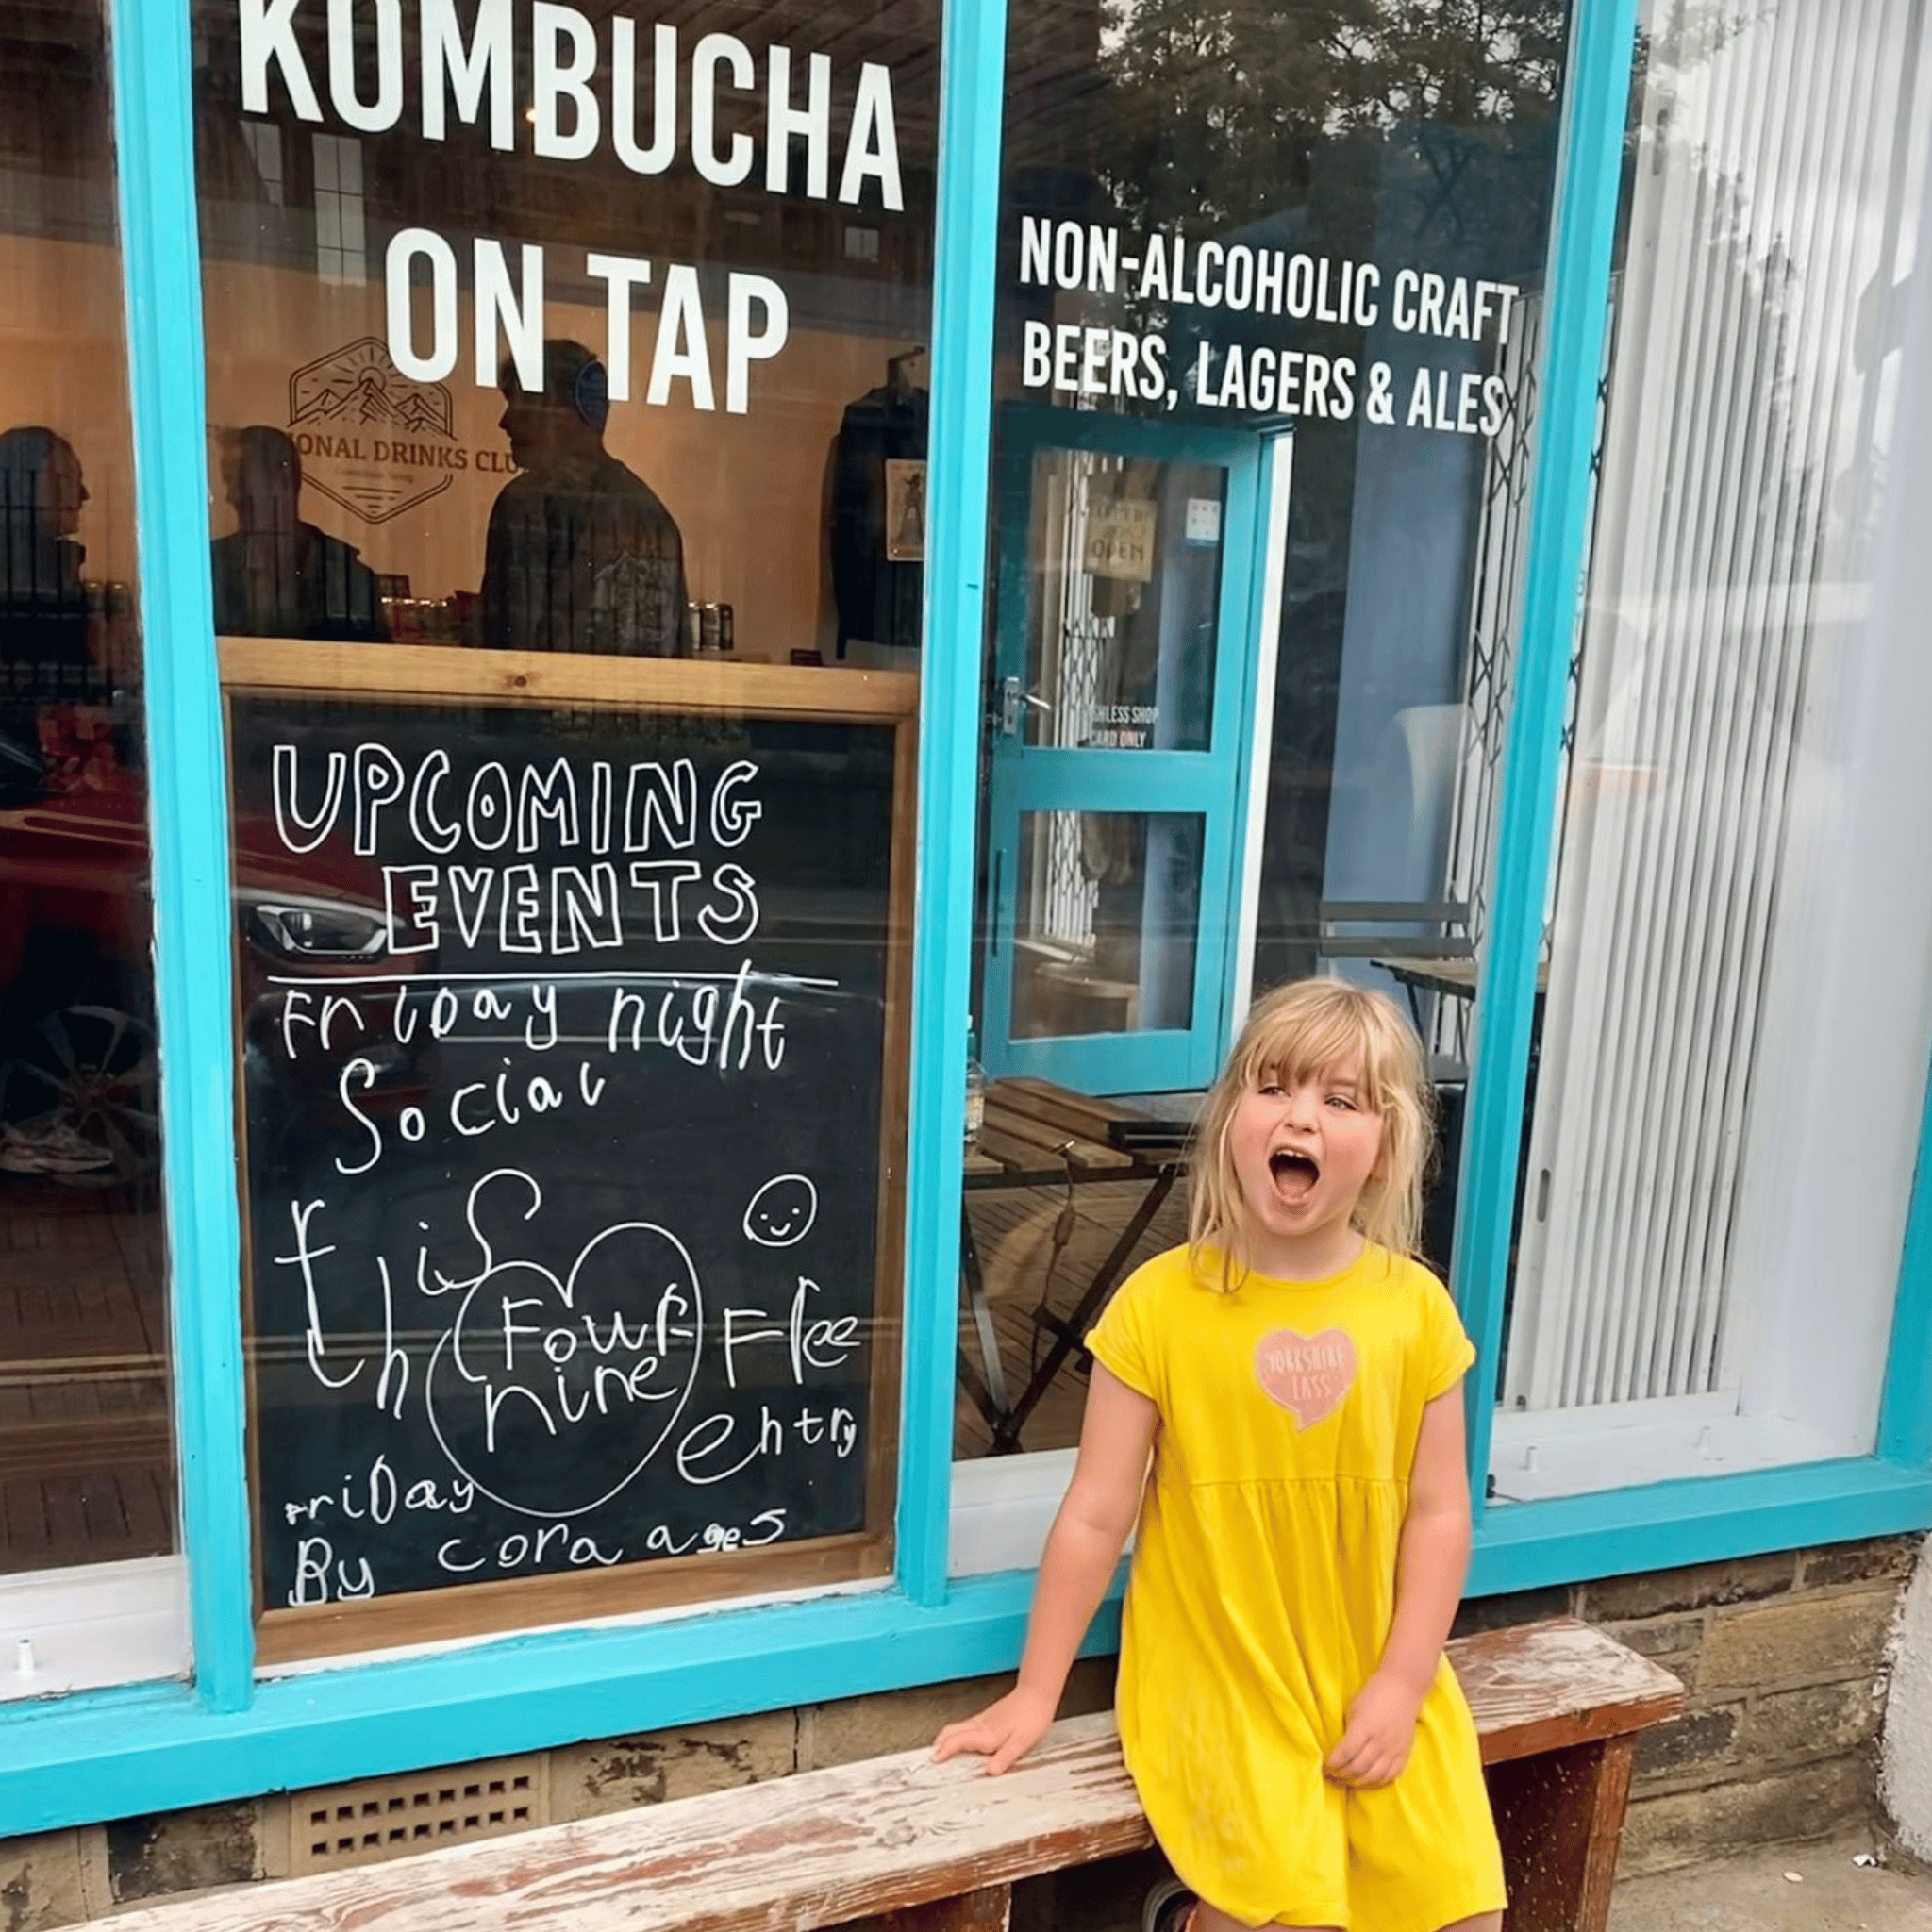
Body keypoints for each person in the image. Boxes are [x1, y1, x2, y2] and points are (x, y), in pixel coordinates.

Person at [933, 977, 1506, 1932]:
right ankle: (1190, 1919)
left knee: (1458, 1908)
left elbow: (1439, 1511)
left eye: (1340, 1098)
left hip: (1372, 1658)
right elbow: (1093, 1512)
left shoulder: (1414, 1311)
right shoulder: (1159, 1304)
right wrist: (1035, 1690)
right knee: (1287, 1914)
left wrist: (1403, 1679)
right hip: (1217, 1667)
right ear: (1230, 1114)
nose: (1301, 1117)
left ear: (1385, 1146)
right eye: (1273, 1086)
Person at [476, 339, 688, 657]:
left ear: (558, 409)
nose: (505, 421)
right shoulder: (656, 516)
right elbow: (682, 662)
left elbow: (509, 659)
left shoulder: (527, 504)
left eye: (517, 401)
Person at [209, 425, 389, 642]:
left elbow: (373, 669)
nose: (231, 496)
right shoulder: (211, 570)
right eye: (229, 482)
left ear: (283, 481)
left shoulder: (351, 579)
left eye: (240, 480)